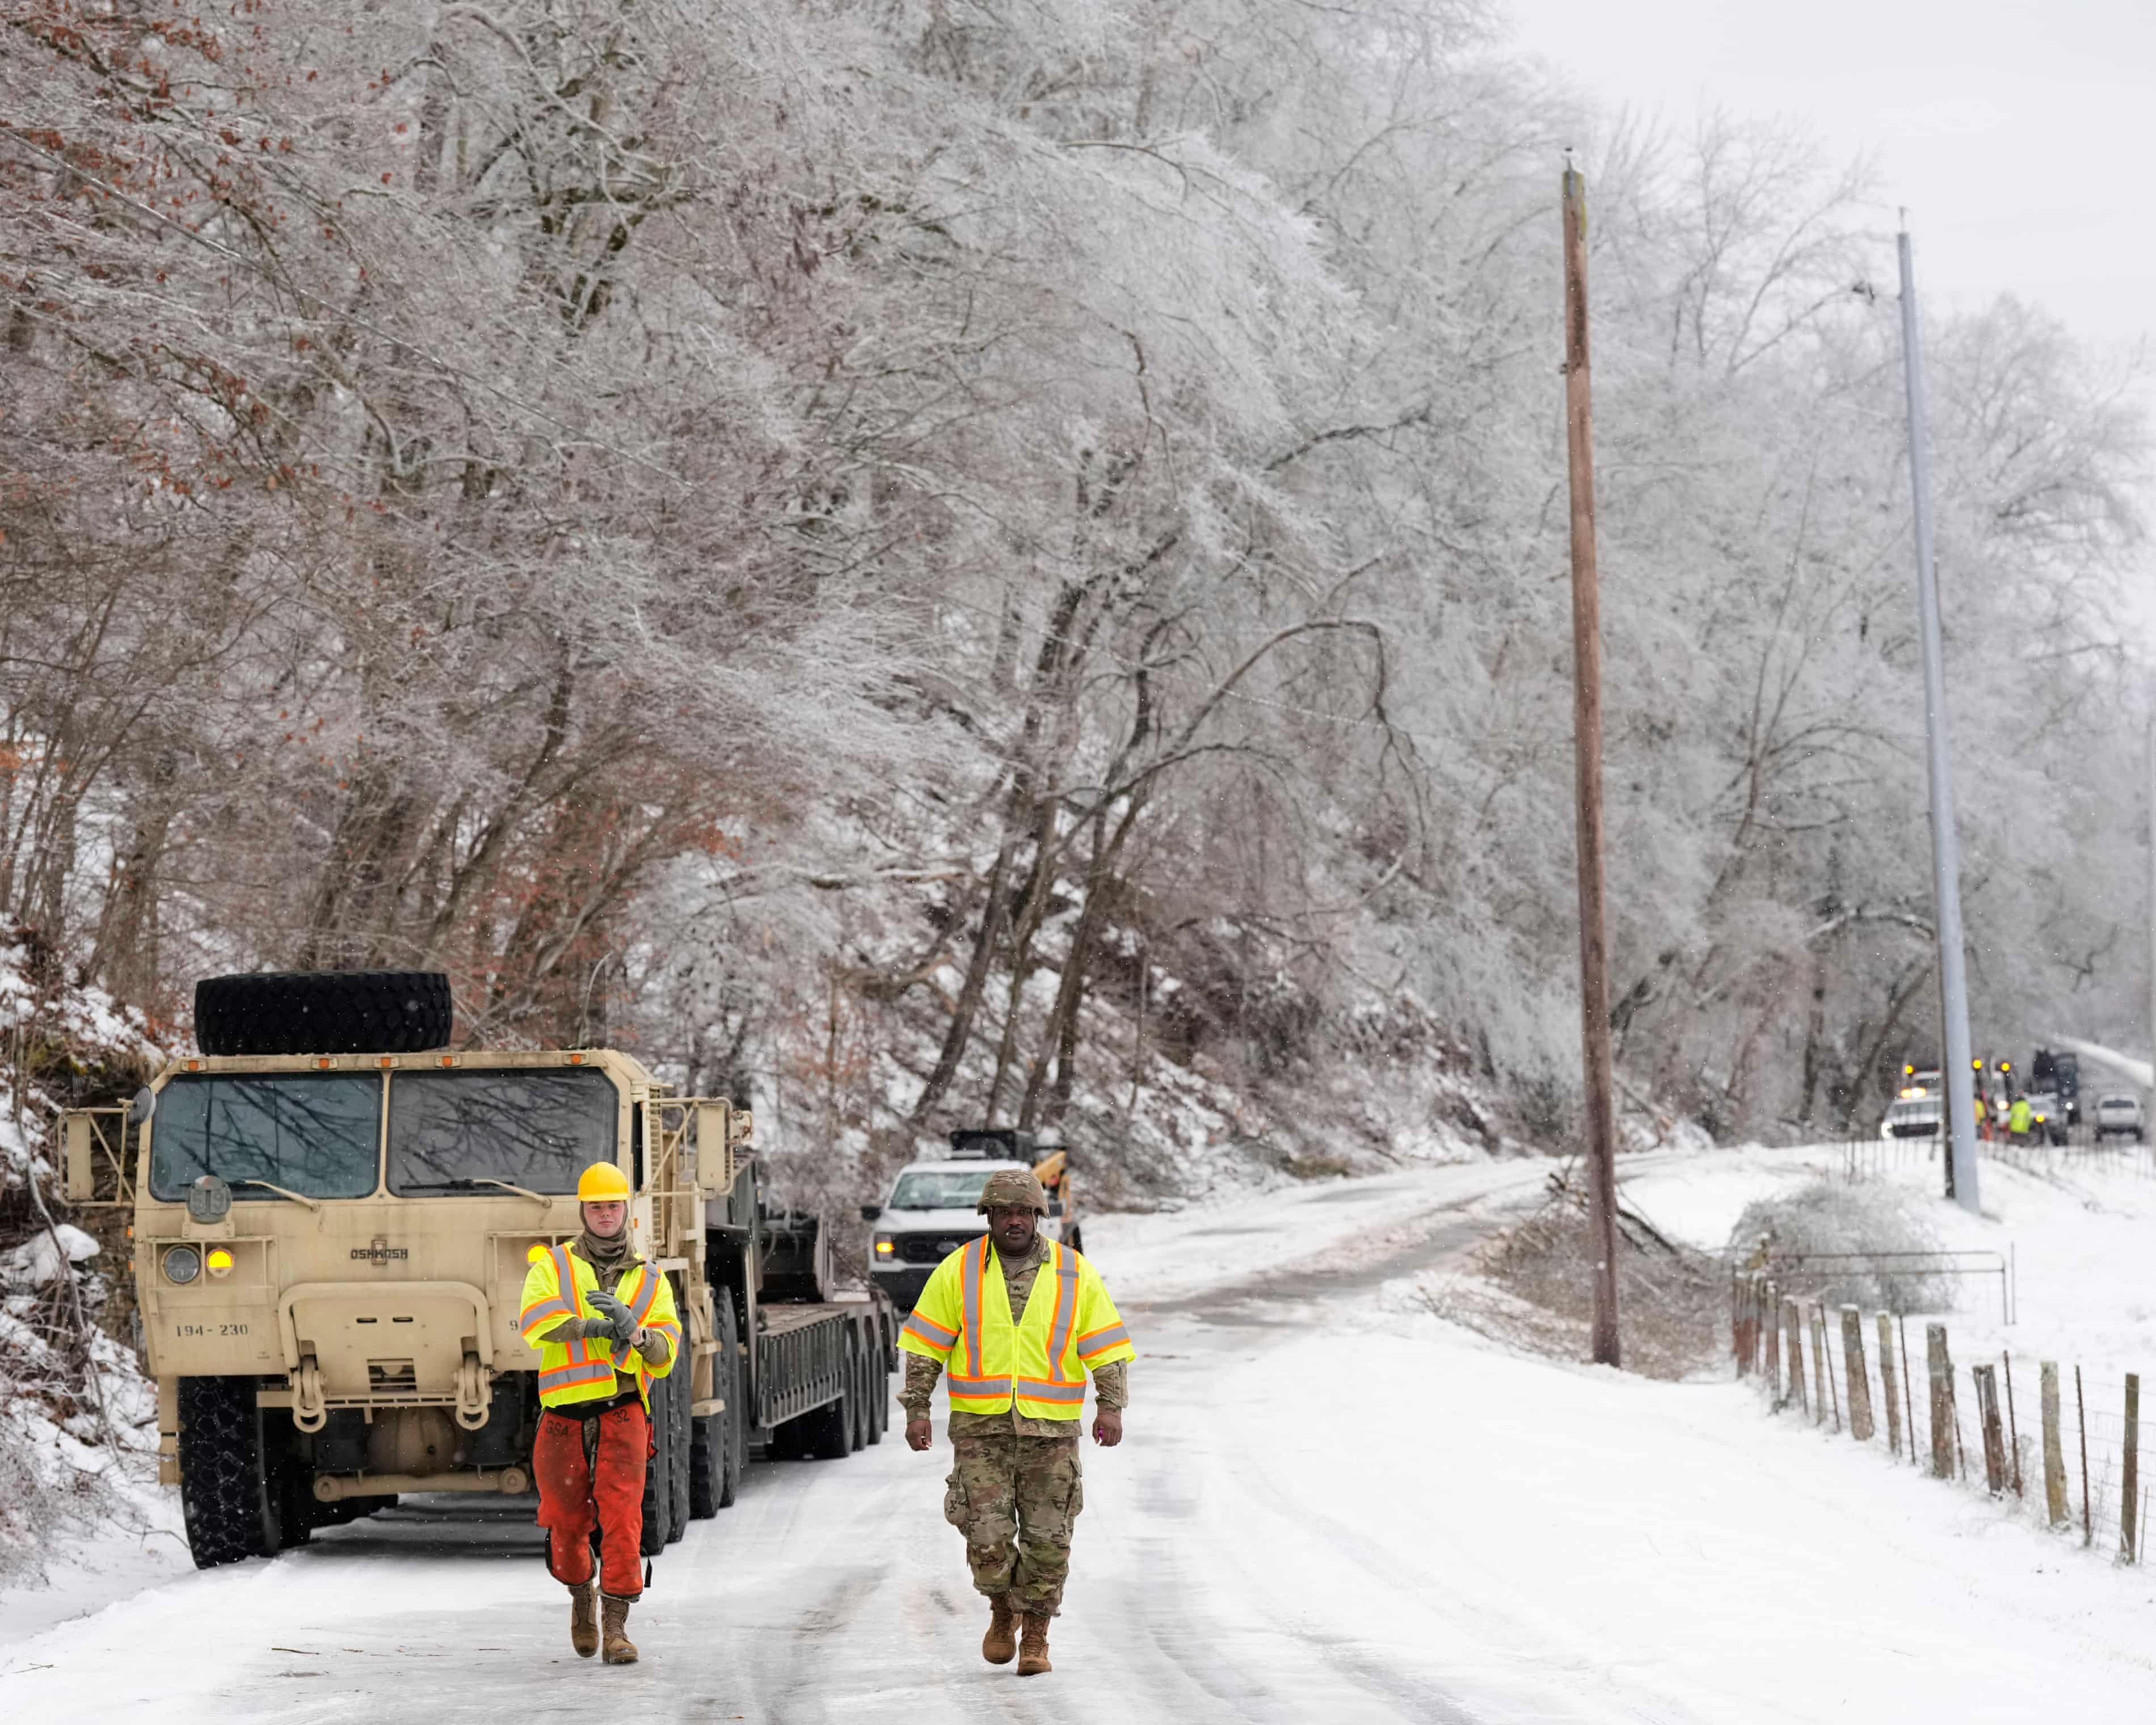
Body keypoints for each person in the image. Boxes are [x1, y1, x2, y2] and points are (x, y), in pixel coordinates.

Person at [898, 1168, 1134, 1678]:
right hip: (980, 1432)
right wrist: (917, 1410)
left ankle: (1037, 1638)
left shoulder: (1073, 1272)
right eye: (1004, 1212)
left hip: (1052, 1434)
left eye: (1024, 1212)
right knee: (987, 1538)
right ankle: (1003, 1610)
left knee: (1049, 1541)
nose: (1014, 1221)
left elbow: (1105, 1346)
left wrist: (1111, 1405)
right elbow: (925, 1347)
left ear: (1038, 1216)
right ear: (989, 1217)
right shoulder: (959, 1271)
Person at [517, 1162, 681, 1665]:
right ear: (583, 1212)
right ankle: (580, 1596)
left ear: (626, 1211)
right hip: (564, 1416)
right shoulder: (554, 1265)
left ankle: (616, 1627)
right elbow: (534, 1321)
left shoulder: (651, 1278)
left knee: (623, 1520)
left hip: (623, 1412)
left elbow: (665, 1354)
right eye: (596, 1207)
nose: (605, 1215)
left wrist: (635, 1332)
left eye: (612, 1206)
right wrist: (589, 1327)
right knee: (565, 1521)